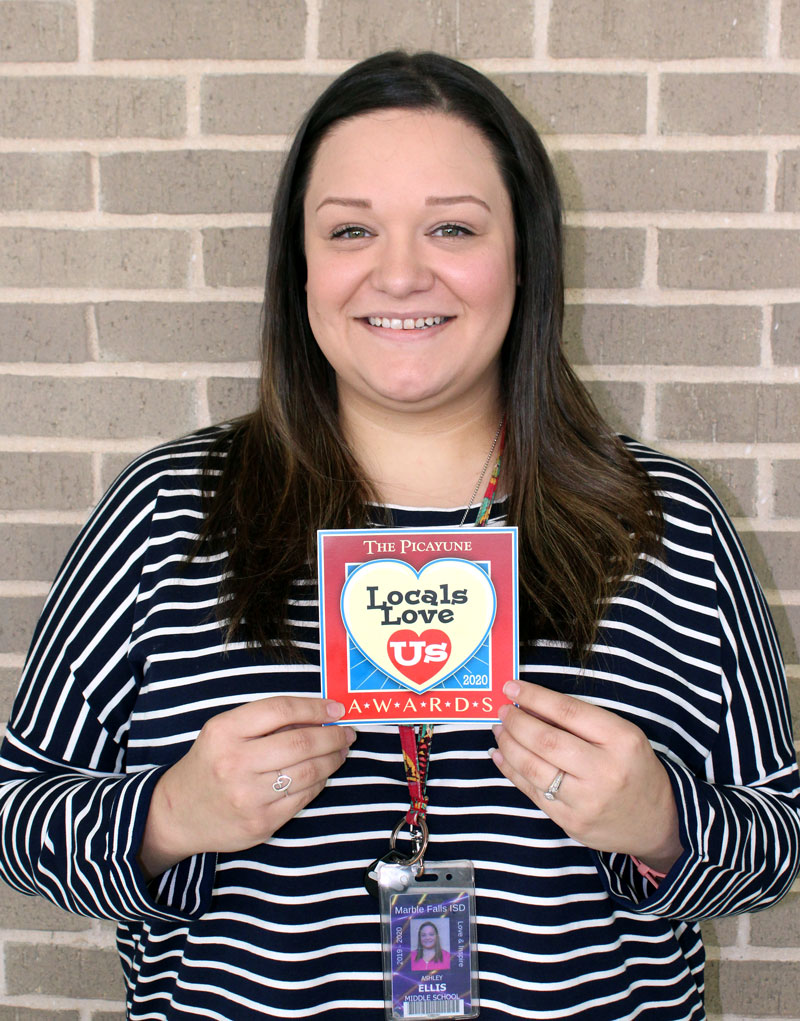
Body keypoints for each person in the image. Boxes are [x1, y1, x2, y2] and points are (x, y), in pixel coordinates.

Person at [0, 50, 798, 1021]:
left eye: (452, 226)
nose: (400, 271)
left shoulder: (666, 522)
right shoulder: (167, 513)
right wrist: (166, 818)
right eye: (350, 230)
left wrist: (664, 825)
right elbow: (20, 813)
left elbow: (775, 834)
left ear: (525, 254)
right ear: (301, 265)